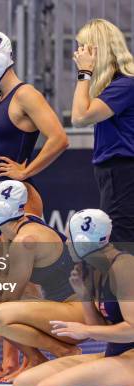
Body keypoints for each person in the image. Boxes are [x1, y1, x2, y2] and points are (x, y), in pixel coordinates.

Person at [0, 31, 69, 380]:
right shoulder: (1, 99)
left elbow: (59, 137)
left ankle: (40, 358)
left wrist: (25, 170)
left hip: (15, 206)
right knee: (4, 283)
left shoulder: (25, 94)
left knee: (21, 287)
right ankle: (16, 361)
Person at [0, 180, 85, 384]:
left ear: (2, 211)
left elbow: (6, 302)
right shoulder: (20, 226)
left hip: (75, 316)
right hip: (61, 309)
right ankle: (36, 359)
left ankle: (64, 351)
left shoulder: (25, 242)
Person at [14, 209, 134, 386]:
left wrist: (85, 330)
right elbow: (101, 330)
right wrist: (84, 296)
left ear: (83, 242)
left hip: (131, 357)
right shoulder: (96, 271)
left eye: (70, 238)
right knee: (24, 383)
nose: (68, 243)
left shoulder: (124, 267)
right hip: (116, 353)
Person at [71, 19, 134, 244]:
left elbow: (79, 117)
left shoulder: (125, 85)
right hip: (116, 174)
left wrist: (85, 73)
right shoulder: (115, 86)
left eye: (83, 48)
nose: (78, 55)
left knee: (121, 247)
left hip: (122, 172)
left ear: (98, 49)